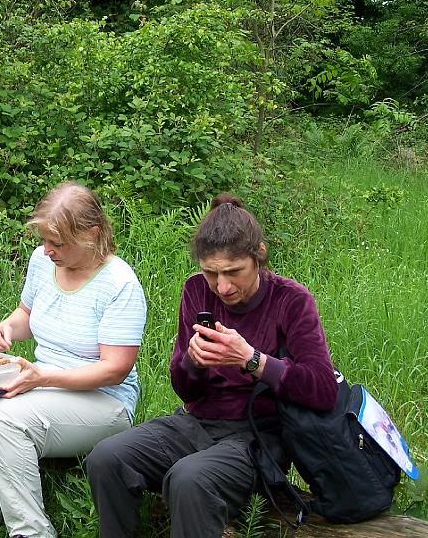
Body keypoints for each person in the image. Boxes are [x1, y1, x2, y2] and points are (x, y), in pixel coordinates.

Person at [85, 193, 339, 538]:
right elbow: (185, 390)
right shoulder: (196, 290)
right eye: (211, 273)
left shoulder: (291, 300)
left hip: (259, 437)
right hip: (197, 423)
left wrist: (251, 360)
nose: (222, 286)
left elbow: (323, 389)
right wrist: (193, 362)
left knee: (189, 479)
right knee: (106, 457)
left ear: (259, 255)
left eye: (233, 272)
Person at [0, 182, 147, 538]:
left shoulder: (119, 283)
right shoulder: (42, 261)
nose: (48, 250)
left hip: (105, 401)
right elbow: (26, 315)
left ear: (91, 234)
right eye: (44, 240)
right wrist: (6, 328)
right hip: (44, 383)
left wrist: (43, 378)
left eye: (59, 243)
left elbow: (115, 370)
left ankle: (31, 530)